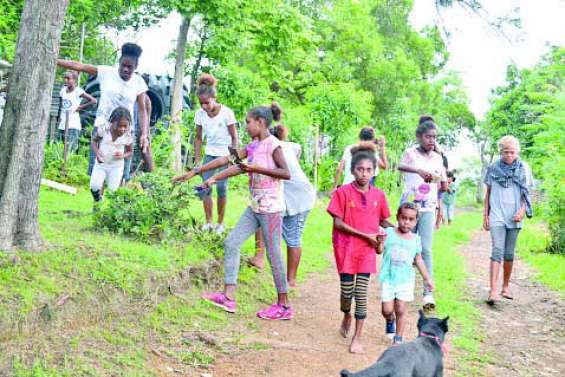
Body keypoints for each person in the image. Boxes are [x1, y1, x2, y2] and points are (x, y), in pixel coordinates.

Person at [172, 103, 292, 320]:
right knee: (231, 243)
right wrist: (201, 173)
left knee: (274, 254)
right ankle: (228, 297)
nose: (245, 126)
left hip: (271, 210)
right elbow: (231, 162)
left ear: (260, 123)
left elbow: (285, 173)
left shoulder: (273, 145)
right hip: (255, 207)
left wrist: (255, 168)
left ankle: (283, 306)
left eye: (248, 122)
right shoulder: (254, 145)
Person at [327, 143, 392, 354]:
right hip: (345, 249)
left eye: (369, 170)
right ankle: (346, 314)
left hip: (366, 251)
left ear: (374, 171)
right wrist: (367, 236)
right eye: (360, 169)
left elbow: (383, 220)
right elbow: (338, 223)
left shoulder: (379, 196)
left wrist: (400, 228)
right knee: (347, 293)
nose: (364, 174)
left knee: (361, 293)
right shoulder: (342, 193)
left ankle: (357, 337)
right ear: (352, 170)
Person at [57, 43, 149, 175]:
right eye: (123, 65)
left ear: (136, 67)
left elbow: (142, 110)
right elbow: (79, 66)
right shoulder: (107, 72)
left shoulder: (139, 82)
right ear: (119, 62)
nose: (125, 69)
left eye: (130, 67)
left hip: (125, 132)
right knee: (96, 170)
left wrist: (144, 134)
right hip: (102, 128)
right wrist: (54, 59)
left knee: (120, 174)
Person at [247, 123, 316, 288]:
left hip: (299, 197)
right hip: (282, 195)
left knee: (293, 237)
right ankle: (259, 257)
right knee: (261, 216)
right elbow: (297, 149)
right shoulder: (286, 145)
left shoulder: (273, 147)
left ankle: (290, 281)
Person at [398, 115, 446, 311]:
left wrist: (440, 207)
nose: (431, 140)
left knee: (425, 249)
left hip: (428, 208)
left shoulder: (438, 157)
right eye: (428, 137)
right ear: (419, 136)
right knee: (405, 245)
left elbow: (442, 183)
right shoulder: (410, 153)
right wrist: (418, 171)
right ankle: (401, 286)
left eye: (434, 137)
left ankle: (428, 292)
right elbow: (399, 166)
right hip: (409, 208)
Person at [483, 135, 533, 305]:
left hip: (515, 216)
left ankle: (505, 286)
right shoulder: (493, 168)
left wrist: (522, 211)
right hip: (497, 214)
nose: (509, 155)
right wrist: (485, 214)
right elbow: (488, 193)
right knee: (497, 250)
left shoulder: (524, 168)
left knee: (509, 253)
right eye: (506, 152)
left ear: (517, 152)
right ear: (500, 152)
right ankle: (493, 291)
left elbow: (527, 193)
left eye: (512, 152)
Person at [380, 202, 434, 345]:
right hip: (388, 278)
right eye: (404, 218)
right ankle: (390, 320)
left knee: (401, 309)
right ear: (398, 217)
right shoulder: (389, 233)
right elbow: (379, 250)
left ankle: (398, 338)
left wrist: (427, 278)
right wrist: (379, 242)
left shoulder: (416, 239)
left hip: (405, 280)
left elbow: (419, 260)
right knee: (387, 309)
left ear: (416, 221)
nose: (406, 222)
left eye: (411, 219)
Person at [193, 73, 239, 234]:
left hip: (225, 155)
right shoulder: (200, 114)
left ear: (214, 97)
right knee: (205, 187)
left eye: (206, 103)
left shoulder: (227, 113)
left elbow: (234, 137)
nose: (204, 106)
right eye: (201, 103)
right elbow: (198, 138)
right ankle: (209, 222)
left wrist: (234, 157)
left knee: (221, 187)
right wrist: (198, 159)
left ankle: (220, 223)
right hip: (209, 154)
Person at [90, 107, 133, 204]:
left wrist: (122, 155)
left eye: (125, 126)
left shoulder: (127, 135)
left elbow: (130, 151)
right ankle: (98, 202)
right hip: (101, 164)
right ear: (113, 122)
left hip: (116, 166)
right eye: (120, 126)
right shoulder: (104, 129)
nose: (122, 129)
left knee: (113, 190)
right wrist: (97, 154)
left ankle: (110, 212)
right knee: (94, 186)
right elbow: (94, 141)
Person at [123, 73, 154, 183]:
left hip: (140, 132)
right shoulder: (132, 95)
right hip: (130, 130)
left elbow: (146, 118)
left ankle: (150, 180)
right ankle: (126, 178)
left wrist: (144, 134)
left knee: (145, 156)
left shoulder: (146, 99)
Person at [57, 70, 97, 152]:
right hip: (62, 123)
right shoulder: (63, 90)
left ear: (74, 80)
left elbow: (93, 100)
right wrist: (59, 118)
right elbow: (61, 105)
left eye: (68, 78)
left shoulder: (78, 91)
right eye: (65, 78)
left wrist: (81, 107)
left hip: (73, 124)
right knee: (59, 148)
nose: (65, 80)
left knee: (70, 149)